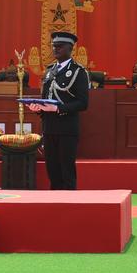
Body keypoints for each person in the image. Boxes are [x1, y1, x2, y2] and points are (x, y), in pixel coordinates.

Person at [29, 32, 89, 190]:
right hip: (49, 128)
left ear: (70, 48)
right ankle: (54, 204)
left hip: (67, 128)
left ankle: (69, 205)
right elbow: (46, 98)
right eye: (54, 46)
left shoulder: (78, 71)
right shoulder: (49, 71)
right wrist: (38, 108)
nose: (55, 49)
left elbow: (83, 103)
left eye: (60, 46)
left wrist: (58, 108)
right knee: (52, 171)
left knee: (66, 171)